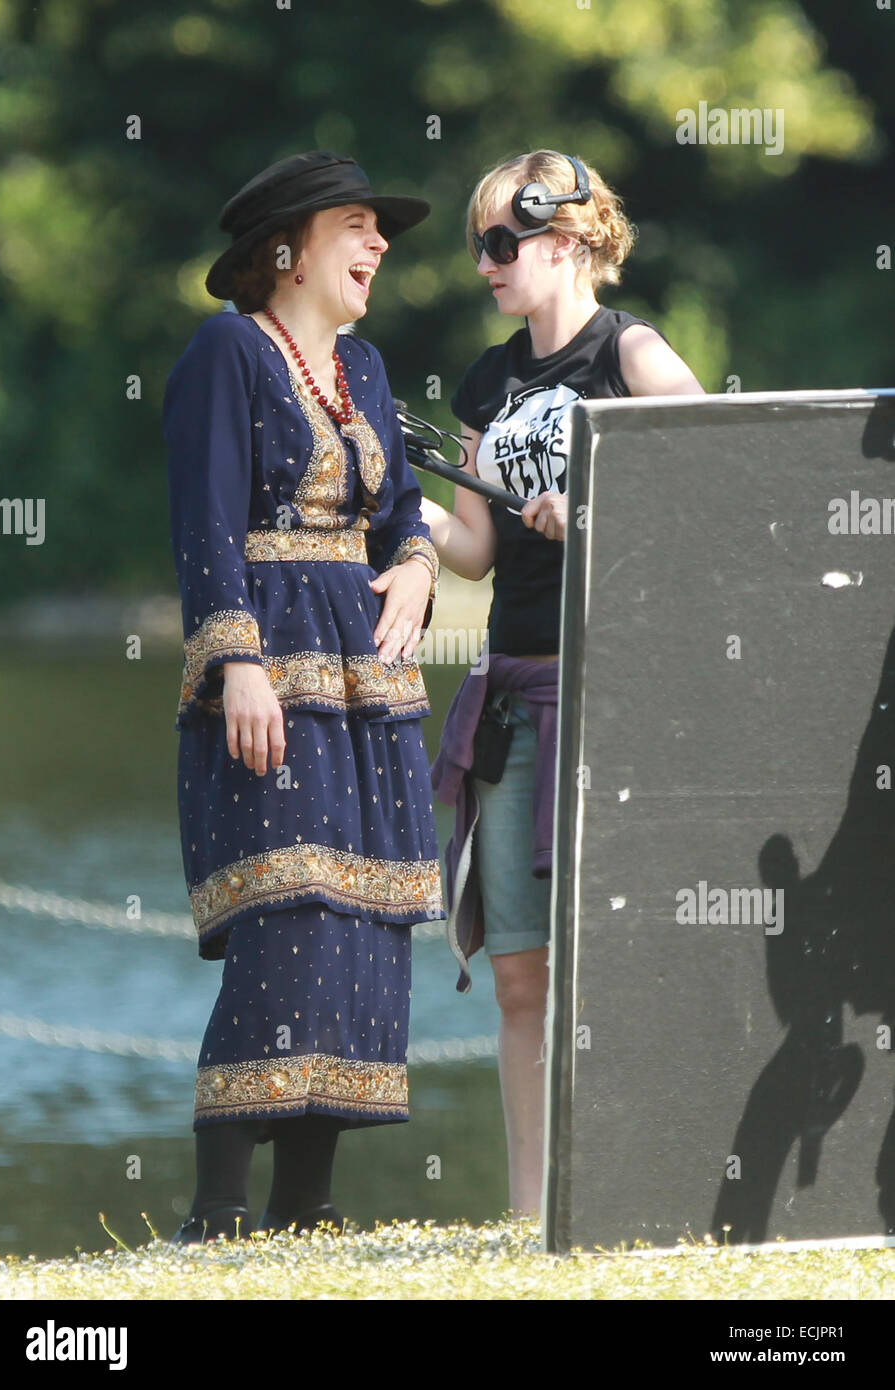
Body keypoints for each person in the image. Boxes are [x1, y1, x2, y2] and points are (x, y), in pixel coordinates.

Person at [162, 150, 444, 1243]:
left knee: (358, 919)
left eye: (381, 230)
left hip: (367, 683)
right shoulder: (228, 349)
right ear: (288, 247)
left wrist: (417, 566)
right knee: (286, 916)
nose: (379, 247)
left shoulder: (366, 369)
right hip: (269, 667)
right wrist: (236, 659)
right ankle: (219, 1209)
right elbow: (203, 520)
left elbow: (403, 511)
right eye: (358, 226)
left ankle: (308, 1205)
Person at [425, 150, 705, 1219]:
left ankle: (637, 1190)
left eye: (502, 241)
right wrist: (395, 518)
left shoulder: (631, 352)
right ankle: (533, 1215)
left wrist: (595, 497)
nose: (486, 264)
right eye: (478, 245)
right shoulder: (485, 383)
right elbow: (474, 549)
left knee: (621, 964)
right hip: (511, 692)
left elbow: (703, 482)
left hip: (612, 700)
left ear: (570, 239)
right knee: (517, 972)